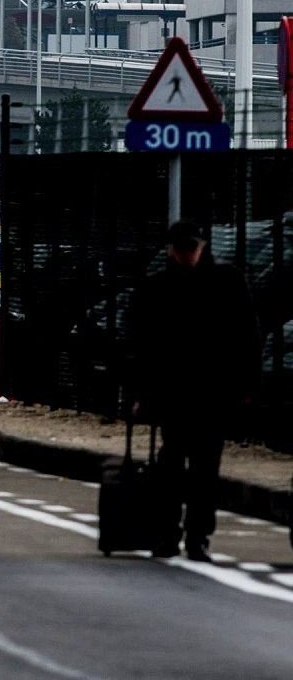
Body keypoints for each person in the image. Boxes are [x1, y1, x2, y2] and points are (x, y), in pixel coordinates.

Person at [127, 220, 259, 563]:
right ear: (172, 249)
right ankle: (173, 534)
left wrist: (246, 385)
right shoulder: (172, 286)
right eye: (182, 248)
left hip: (208, 392)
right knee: (177, 465)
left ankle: (193, 535)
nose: (187, 255)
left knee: (199, 467)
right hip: (180, 391)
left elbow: (247, 337)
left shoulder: (216, 282)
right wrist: (140, 392)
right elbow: (140, 345)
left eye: (191, 248)